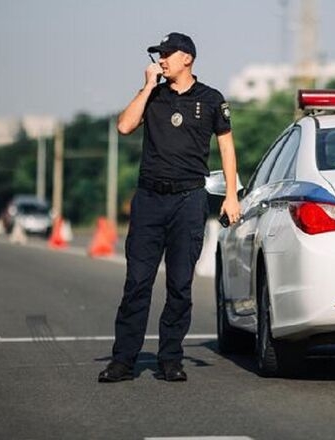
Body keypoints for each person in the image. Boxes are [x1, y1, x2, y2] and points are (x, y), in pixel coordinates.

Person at [98, 32, 241, 383]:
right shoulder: (154, 96)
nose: (161, 60)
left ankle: (170, 358)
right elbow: (125, 125)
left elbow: (226, 148)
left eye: (166, 55)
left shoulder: (211, 99)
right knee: (137, 283)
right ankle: (123, 361)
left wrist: (231, 195)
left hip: (188, 200)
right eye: (158, 55)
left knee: (180, 284)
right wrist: (146, 87)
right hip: (149, 199)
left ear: (187, 58)